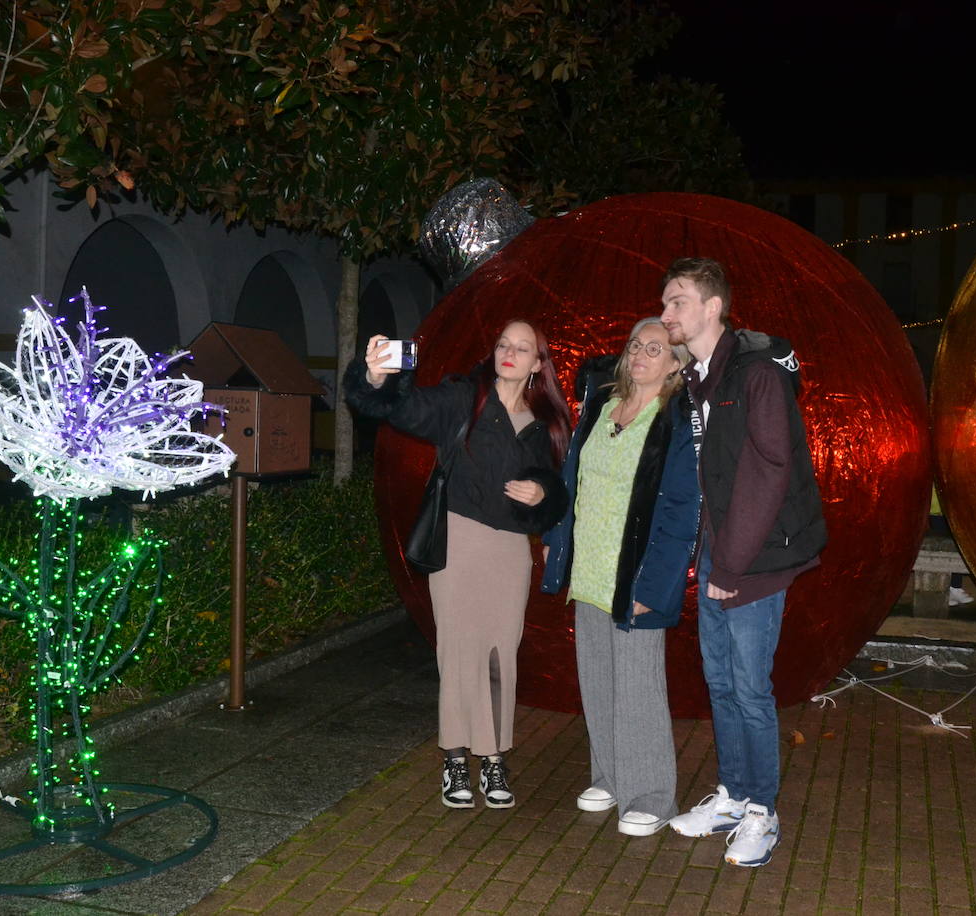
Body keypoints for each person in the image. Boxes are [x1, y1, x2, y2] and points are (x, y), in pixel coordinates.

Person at [344, 322, 570, 810]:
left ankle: (492, 759)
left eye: (522, 348)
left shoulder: (547, 419)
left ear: (538, 363)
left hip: (511, 551)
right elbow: (397, 409)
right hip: (460, 541)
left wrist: (544, 492)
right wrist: (377, 378)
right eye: (503, 344)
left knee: (498, 654)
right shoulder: (462, 399)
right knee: (458, 651)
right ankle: (454, 758)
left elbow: (559, 489)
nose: (510, 352)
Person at [659, 257, 826, 867]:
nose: (665, 313)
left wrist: (728, 566)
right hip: (720, 558)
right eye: (665, 302)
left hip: (754, 560)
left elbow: (768, 470)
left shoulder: (754, 374)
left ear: (713, 307)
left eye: (677, 301)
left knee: (752, 689)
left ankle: (763, 810)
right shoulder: (703, 377)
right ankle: (733, 794)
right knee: (722, 682)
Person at [540, 318, 700, 837]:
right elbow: (574, 481)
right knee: (599, 681)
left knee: (638, 687)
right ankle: (609, 775)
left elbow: (681, 509)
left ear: (676, 363)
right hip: (590, 568)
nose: (641, 355)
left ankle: (651, 794)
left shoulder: (675, 418)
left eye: (656, 348)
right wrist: (557, 539)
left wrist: (654, 587)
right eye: (636, 344)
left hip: (635, 572)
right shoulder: (603, 405)